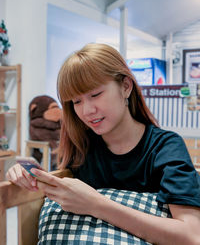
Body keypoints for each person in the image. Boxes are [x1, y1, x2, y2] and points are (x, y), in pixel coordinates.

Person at [7, 43, 200, 244]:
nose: (87, 111)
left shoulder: (166, 148)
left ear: (125, 87)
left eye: (95, 94)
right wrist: (26, 176)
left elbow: (192, 235)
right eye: (76, 102)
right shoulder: (81, 147)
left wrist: (97, 205)